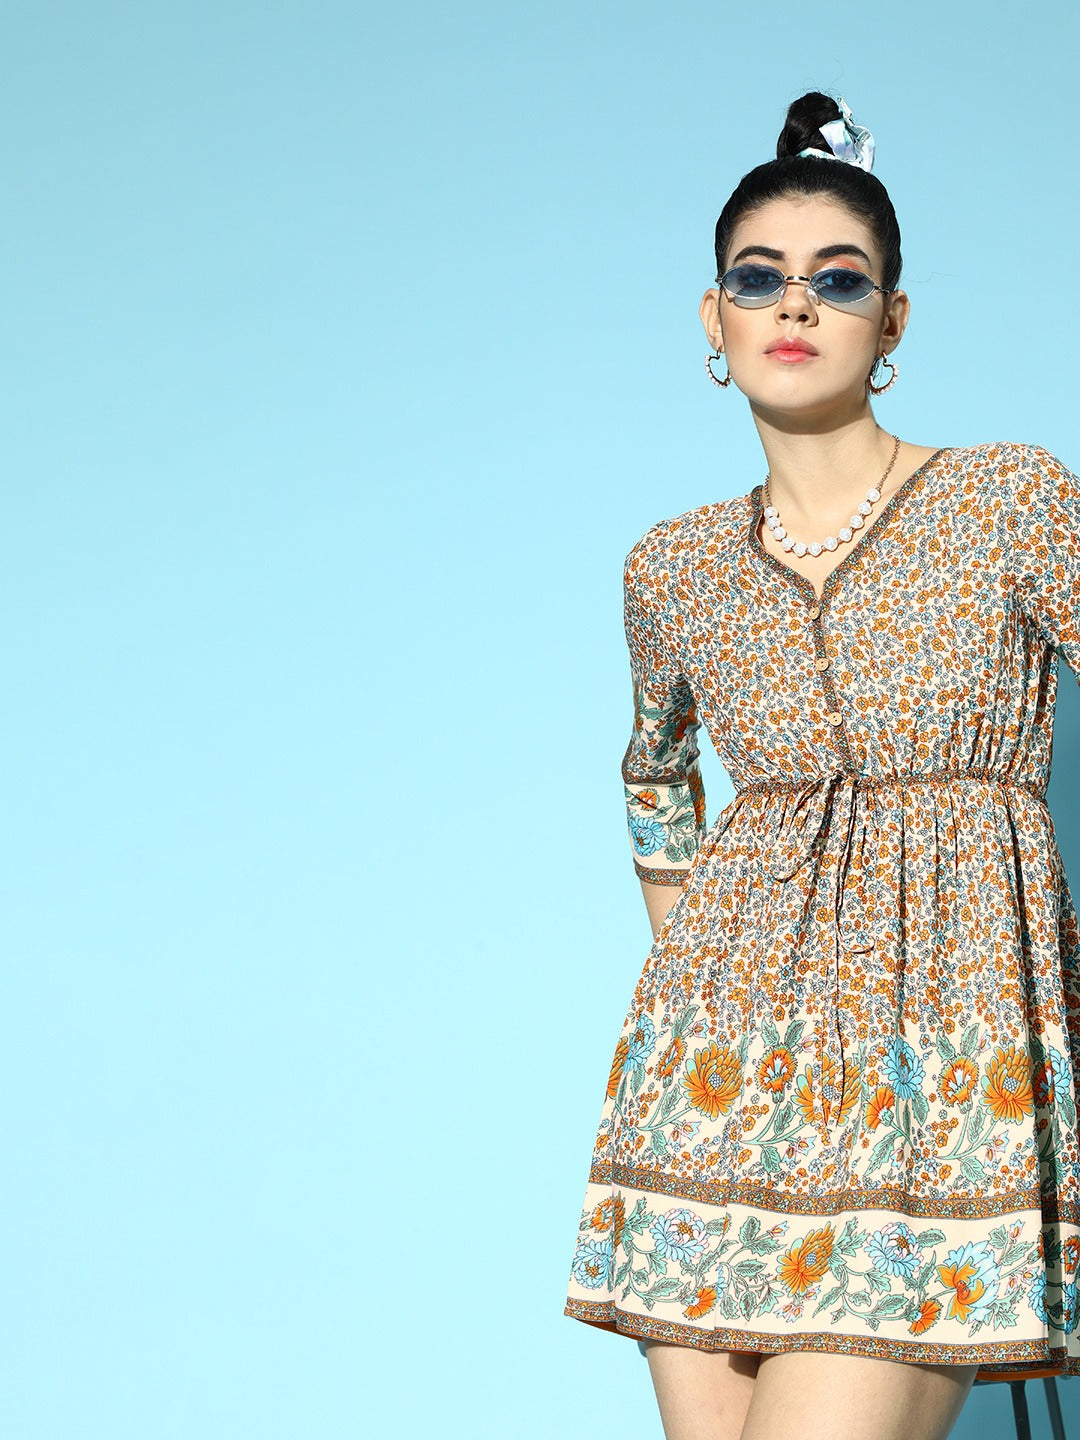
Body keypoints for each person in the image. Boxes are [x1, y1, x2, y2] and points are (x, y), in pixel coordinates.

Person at [563, 91, 1080, 1440]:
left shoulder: (1011, 498)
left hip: (943, 1073)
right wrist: (706, 974)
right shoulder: (672, 565)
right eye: (760, 278)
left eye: (838, 280)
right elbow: (653, 778)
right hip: (715, 1081)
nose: (795, 303)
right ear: (715, 318)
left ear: (891, 321)